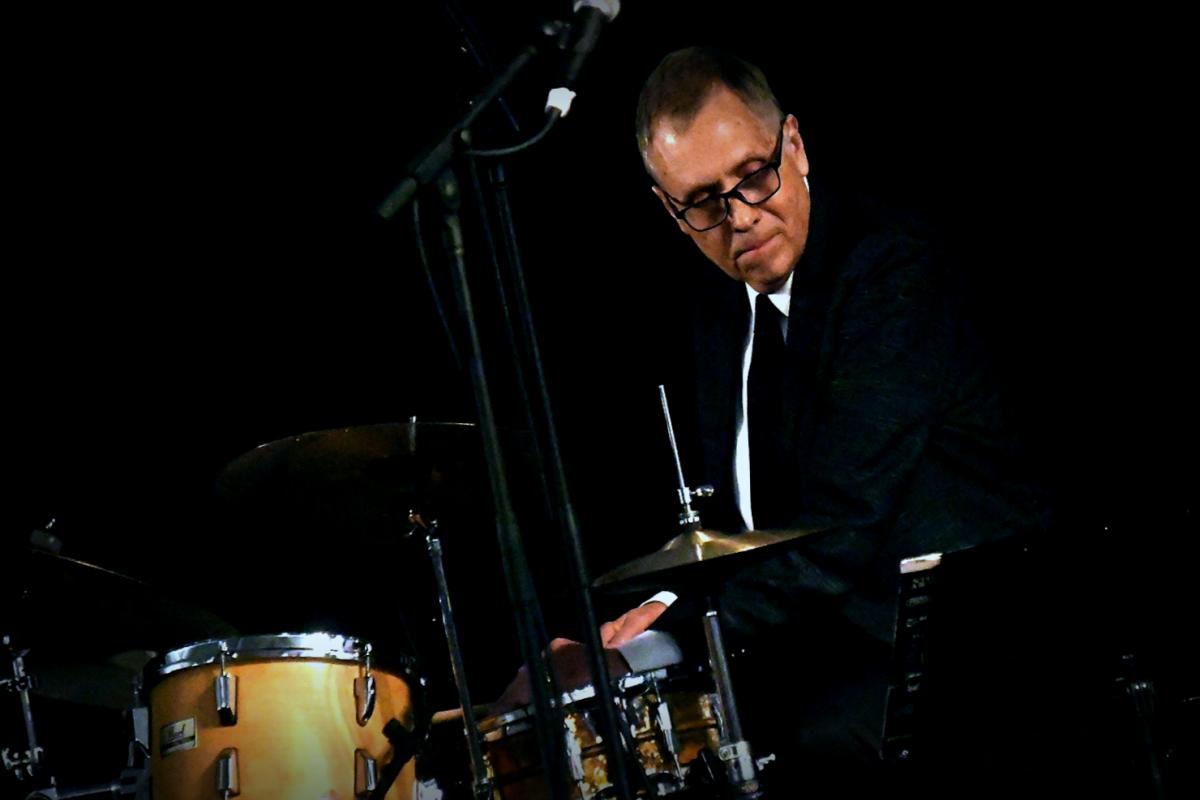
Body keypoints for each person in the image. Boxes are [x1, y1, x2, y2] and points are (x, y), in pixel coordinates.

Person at [492, 46, 1056, 794]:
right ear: (669, 211)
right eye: (702, 202)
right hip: (826, 647)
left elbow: (840, 531)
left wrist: (670, 636)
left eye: (754, 175)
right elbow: (742, 529)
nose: (740, 218)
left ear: (794, 144)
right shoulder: (720, 311)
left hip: (969, 659)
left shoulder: (889, 273)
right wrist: (650, 617)